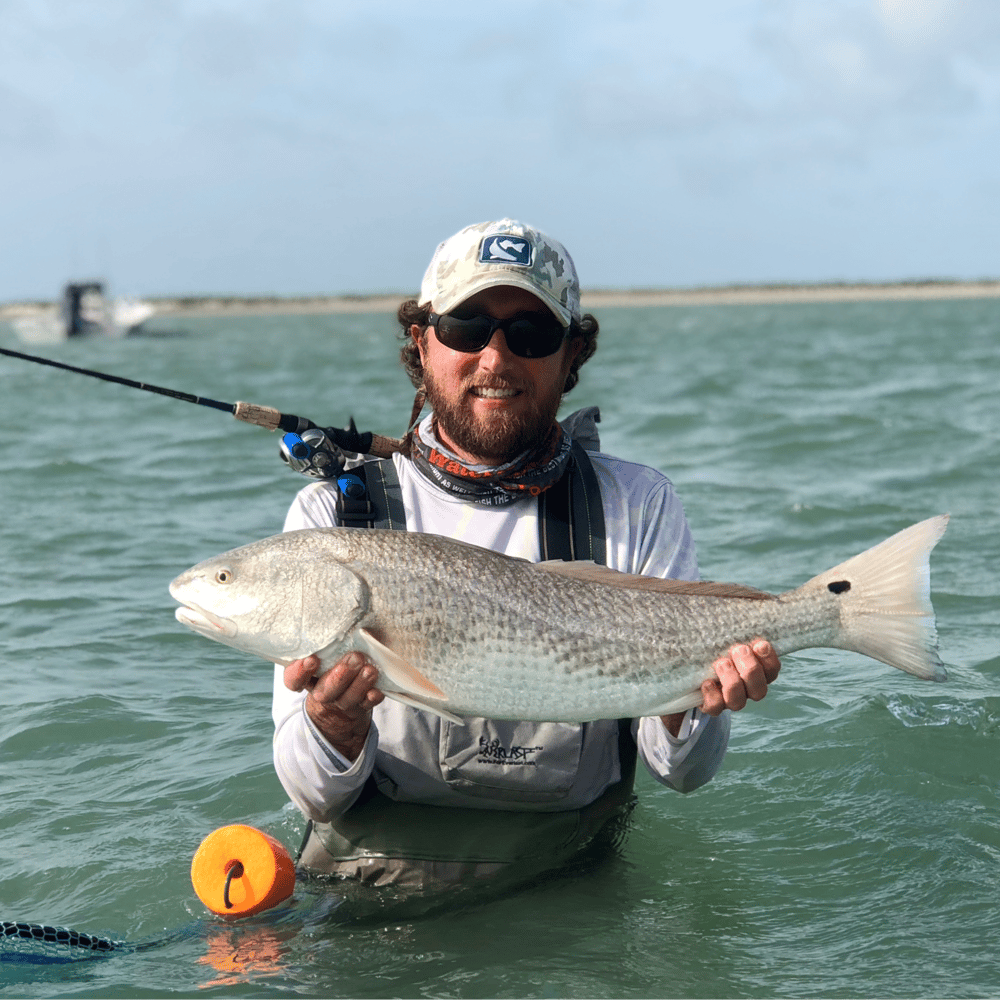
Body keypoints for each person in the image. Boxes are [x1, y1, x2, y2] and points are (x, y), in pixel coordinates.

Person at [271, 219, 781, 892]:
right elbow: (313, 796)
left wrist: (694, 702)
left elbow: (683, 772)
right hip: (367, 894)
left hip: (569, 895)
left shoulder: (635, 504)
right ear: (422, 344)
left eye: (531, 334)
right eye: (466, 327)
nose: (495, 358)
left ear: (572, 357)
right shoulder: (334, 521)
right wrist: (332, 724)